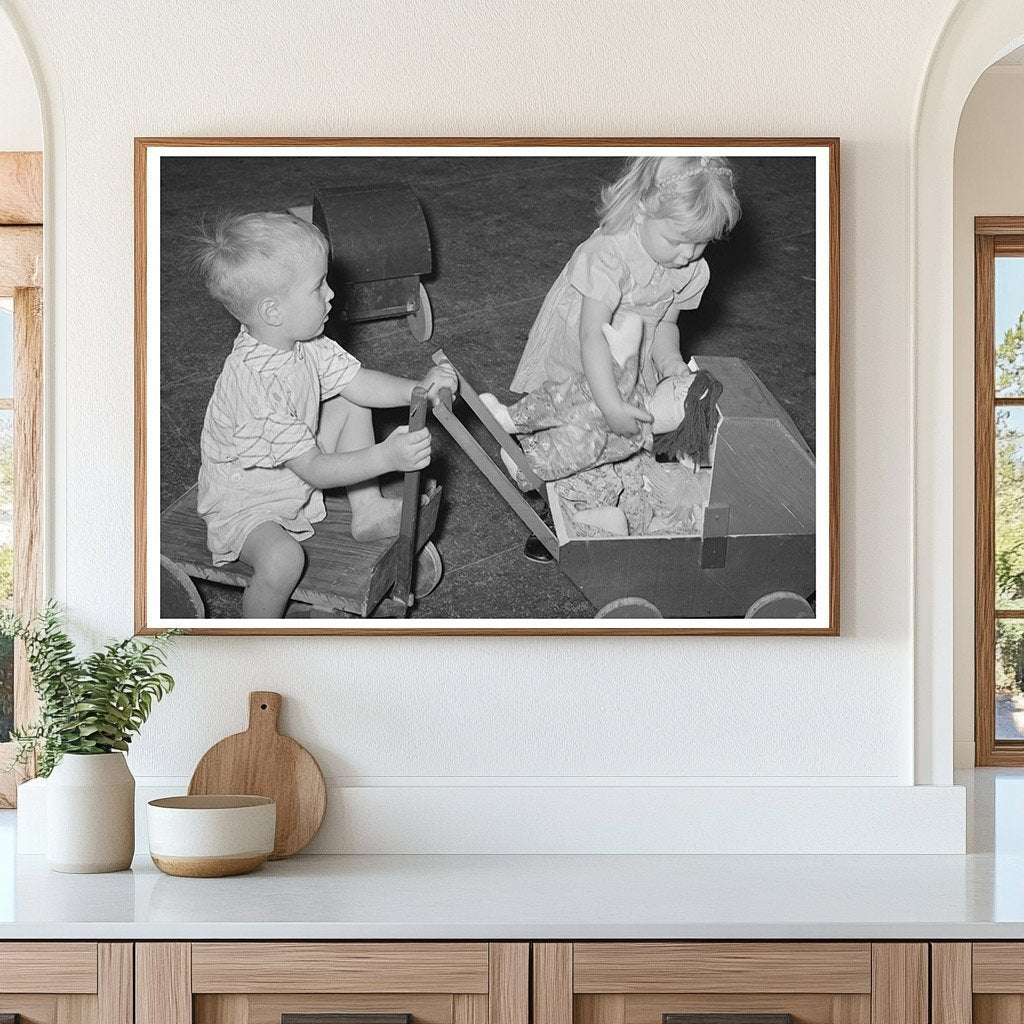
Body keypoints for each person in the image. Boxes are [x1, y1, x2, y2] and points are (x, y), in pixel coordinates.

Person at [192, 211, 457, 618]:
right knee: (283, 561)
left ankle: (367, 510)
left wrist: (417, 389)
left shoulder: (302, 340)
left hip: (290, 466)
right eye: (318, 287)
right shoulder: (255, 387)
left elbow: (358, 382)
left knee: (351, 400)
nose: (332, 294)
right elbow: (314, 470)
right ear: (273, 311)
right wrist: (386, 457)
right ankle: (257, 636)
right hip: (248, 501)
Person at [510, 155, 740, 438]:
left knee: (622, 429)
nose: (688, 254)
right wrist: (611, 407)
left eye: (701, 242)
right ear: (640, 210)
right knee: (573, 414)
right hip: (588, 348)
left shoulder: (688, 268)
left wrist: (669, 360)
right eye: (676, 241)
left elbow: (666, 323)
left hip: (632, 352)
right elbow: (591, 334)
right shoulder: (607, 256)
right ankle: (539, 444)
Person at [482, 312, 722, 484]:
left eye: (680, 396)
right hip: (593, 351)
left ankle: (527, 466)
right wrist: (641, 359)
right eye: (680, 384)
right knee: (575, 391)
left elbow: (668, 321)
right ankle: (514, 418)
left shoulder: (640, 430)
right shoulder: (641, 395)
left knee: (584, 431)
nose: (676, 387)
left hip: (602, 435)